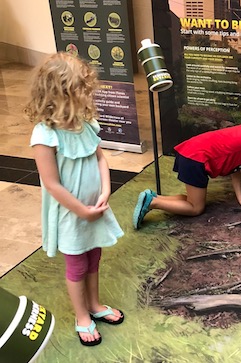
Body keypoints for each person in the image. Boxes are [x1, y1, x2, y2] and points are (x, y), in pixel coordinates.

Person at [27, 52, 125, 347]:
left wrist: (106, 190)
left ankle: (95, 305)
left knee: (94, 256)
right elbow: (52, 184)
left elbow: (100, 158)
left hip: (96, 208)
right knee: (77, 265)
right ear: (59, 92)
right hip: (72, 214)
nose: (88, 95)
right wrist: (81, 210)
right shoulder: (45, 135)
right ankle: (82, 316)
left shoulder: (87, 124)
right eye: (82, 89)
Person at [133, 104, 241, 229]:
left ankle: (155, 197)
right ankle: (152, 203)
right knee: (196, 208)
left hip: (190, 154)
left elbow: (235, 169)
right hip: (196, 159)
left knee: (191, 200)